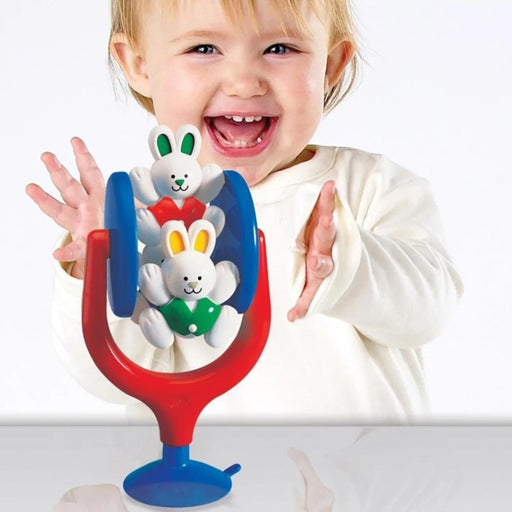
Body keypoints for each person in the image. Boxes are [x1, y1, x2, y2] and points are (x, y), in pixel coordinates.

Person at [26, 0, 463, 423]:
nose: (243, 83)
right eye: (203, 48)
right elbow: (107, 377)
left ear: (330, 64)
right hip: (203, 474)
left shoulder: (369, 186)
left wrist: (350, 264)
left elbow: (429, 312)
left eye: (279, 48)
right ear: (139, 64)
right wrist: (99, 264)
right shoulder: (144, 222)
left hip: (363, 473)